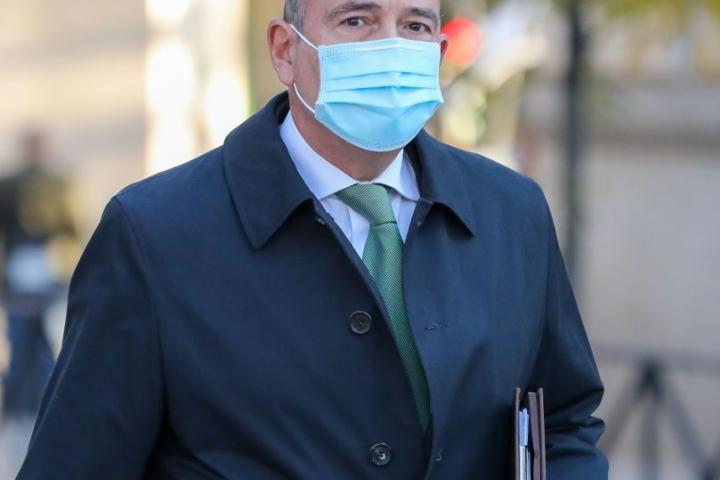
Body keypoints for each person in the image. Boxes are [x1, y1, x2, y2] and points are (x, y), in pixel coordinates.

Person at [17, 0, 608, 478]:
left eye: (415, 25)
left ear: (439, 51)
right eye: (357, 20)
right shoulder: (154, 234)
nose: (390, 47)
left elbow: (562, 421)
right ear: (285, 50)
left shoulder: (513, 213)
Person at [0, 131, 76, 419]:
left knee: (44, 345)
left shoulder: (58, 184)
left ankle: (38, 406)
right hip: (21, 272)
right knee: (22, 342)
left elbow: (70, 229)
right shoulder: (11, 185)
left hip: (47, 270)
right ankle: (21, 406)